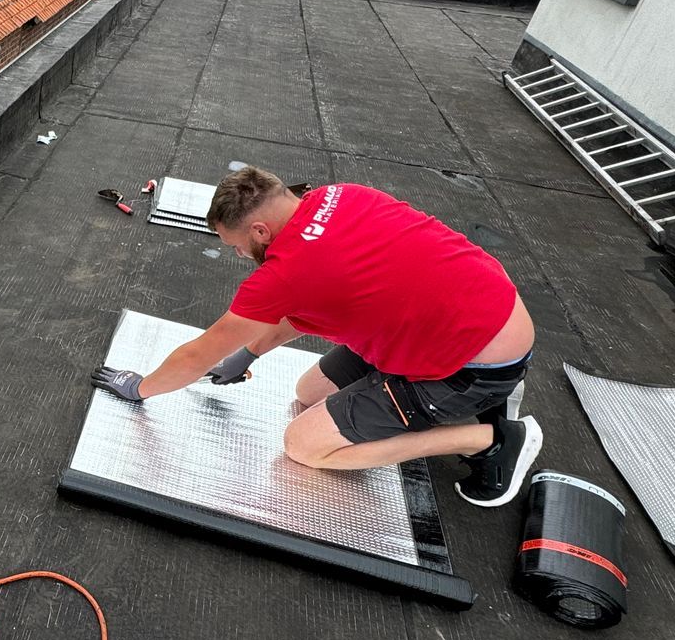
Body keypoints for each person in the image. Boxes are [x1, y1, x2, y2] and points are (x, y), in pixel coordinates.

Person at [90, 166, 543, 506]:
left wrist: (141, 388)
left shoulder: (283, 273)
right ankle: (483, 399)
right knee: (310, 392)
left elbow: (195, 357)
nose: (238, 254)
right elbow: (307, 305)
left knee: (303, 445)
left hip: (470, 368)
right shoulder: (339, 195)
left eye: (236, 245)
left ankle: (492, 439)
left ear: (260, 231)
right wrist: (249, 353)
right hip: (485, 314)